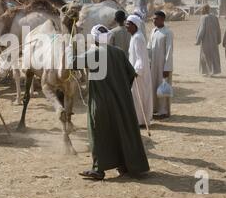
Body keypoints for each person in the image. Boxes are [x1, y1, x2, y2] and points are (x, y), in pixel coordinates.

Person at [69, 25, 150, 180]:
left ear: (94, 39)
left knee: (98, 133)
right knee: (121, 132)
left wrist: (67, 49)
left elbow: (72, 63)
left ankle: (98, 169)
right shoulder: (119, 52)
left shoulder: (94, 53)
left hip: (101, 102)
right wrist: (122, 90)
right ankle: (126, 165)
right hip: (122, 102)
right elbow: (131, 74)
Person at [127, 15, 153, 127]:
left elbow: (140, 58)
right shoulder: (134, 37)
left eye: (128, 24)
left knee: (139, 96)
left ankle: (140, 121)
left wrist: (136, 72)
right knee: (136, 97)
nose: (126, 26)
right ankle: (139, 120)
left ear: (134, 25)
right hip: (136, 71)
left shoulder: (137, 38)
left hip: (139, 73)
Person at [148, 11, 174, 119]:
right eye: (153, 19)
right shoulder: (153, 31)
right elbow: (149, 48)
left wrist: (167, 68)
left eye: (156, 19)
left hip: (163, 65)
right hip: (153, 64)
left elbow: (169, 51)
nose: (154, 21)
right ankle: (154, 109)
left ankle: (163, 111)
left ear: (162, 19)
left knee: (162, 88)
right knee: (153, 87)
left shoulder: (168, 32)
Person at [196, 4, 221, 76]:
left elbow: (201, 30)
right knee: (214, 56)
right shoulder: (215, 17)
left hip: (206, 40)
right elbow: (218, 29)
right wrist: (219, 39)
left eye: (201, 9)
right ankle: (214, 71)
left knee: (205, 56)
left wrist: (198, 40)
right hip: (214, 40)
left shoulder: (203, 18)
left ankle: (208, 71)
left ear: (204, 10)